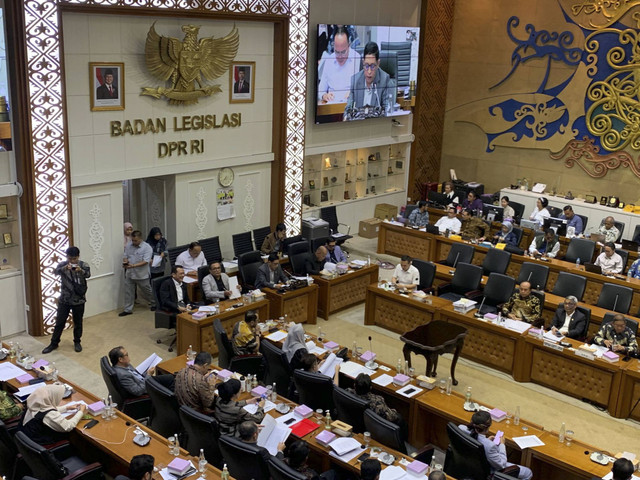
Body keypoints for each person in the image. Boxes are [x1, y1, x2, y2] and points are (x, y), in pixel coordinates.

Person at [42, 246, 90, 354]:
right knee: (60, 322)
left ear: (78, 256)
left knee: (78, 322)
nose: (72, 261)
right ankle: (54, 343)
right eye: (70, 259)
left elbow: (88, 275)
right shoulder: (62, 265)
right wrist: (64, 268)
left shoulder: (83, 265)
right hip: (64, 299)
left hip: (79, 299)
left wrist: (80, 270)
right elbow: (55, 272)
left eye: (74, 259)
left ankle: (77, 342)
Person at [459, 411, 533, 480]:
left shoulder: (461, 428)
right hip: (487, 471)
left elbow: (476, 439)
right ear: (488, 427)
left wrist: (487, 441)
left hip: (467, 464)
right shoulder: (490, 446)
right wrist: (502, 445)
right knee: (528, 472)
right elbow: (501, 465)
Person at [21, 384, 86, 445]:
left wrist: (67, 408)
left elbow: (44, 411)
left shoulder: (34, 404)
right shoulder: (50, 415)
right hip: (41, 442)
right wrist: (81, 412)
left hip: (27, 437)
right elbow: (68, 426)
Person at [344, 41, 395, 115]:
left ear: (378, 64)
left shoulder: (385, 80)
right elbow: (348, 110)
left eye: (372, 66)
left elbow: (387, 112)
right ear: (363, 62)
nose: (369, 71)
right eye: (366, 65)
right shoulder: (355, 80)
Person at [317, 26, 361, 104]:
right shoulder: (329, 60)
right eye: (337, 52)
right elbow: (321, 90)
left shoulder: (357, 59)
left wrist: (353, 93)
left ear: (349, 45)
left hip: (351, 106)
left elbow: (362, 88)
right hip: (332, 108)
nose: (340, 56)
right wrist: (325, 95)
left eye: (343, 52)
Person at [109, 346, 175, 396]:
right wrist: (148, 375)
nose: (128, 356)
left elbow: (135, 374)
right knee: (172, 383)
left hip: (143, 379)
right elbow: (138, 391)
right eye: (126, 355)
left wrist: (146, 373)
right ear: (120, 359)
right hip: (146, 387)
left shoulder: (124, 365)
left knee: (171, 377)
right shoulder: (122, 375)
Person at [120, 230, 155, 316]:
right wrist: (125, 262)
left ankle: (154, 302)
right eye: (133, 240)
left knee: (147, 291)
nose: (134, 242)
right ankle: (128, 309)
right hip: (130, 273)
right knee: (128, 291)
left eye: (136, 240)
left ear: (141, 239)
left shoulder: (147, 247)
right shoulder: (129, 245)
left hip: (142, 274)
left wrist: (133, 265)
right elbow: (125, 256)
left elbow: (146, 261)